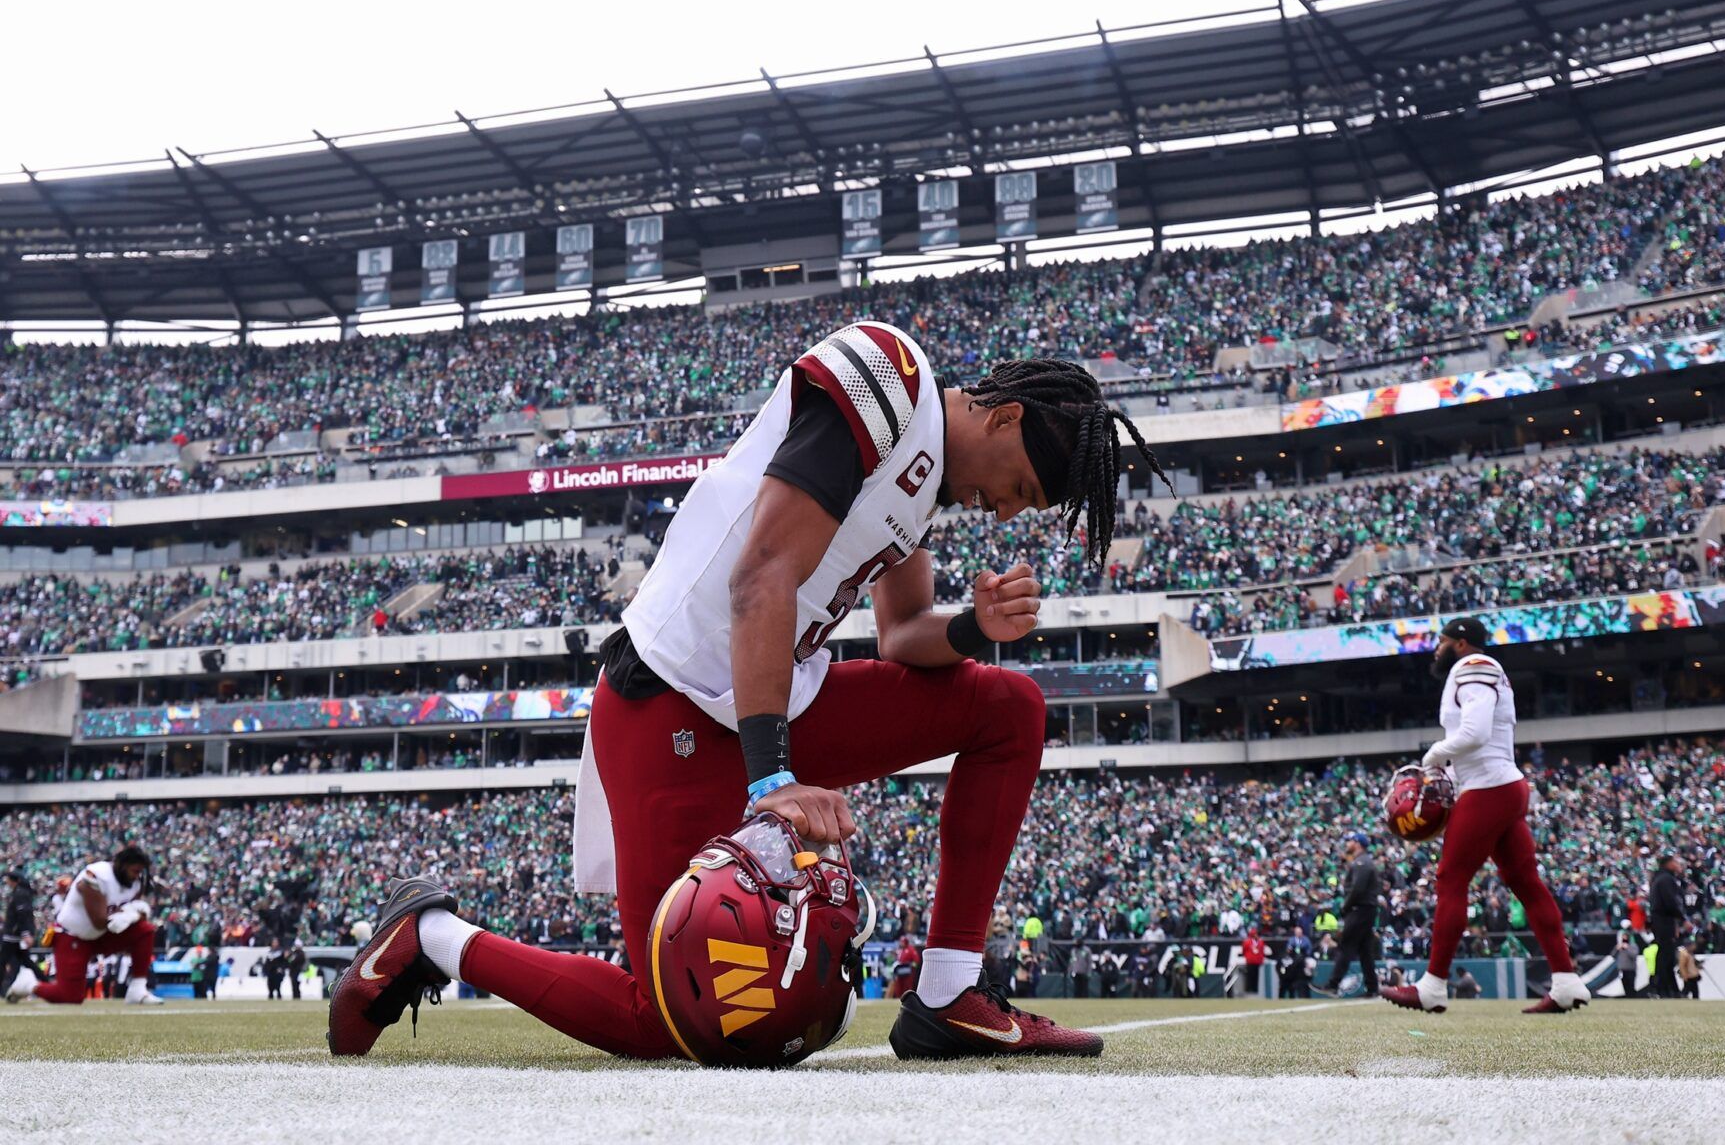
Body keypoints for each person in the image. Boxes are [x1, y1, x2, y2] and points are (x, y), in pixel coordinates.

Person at [328, 340, 1167, 1062]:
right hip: (674, 703)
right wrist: (772, 787)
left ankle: (948, 996)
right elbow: (760, 574)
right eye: (1018, 487)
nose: (1006, 509)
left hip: (774, 701)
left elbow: (904, 631)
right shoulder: (888, 377)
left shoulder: (923, 485)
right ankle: (432, 937)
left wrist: (973, 629)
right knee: (667, 1020)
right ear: (1005, 418)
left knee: (1006, 706)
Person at [1382, 618, 1589, 1015]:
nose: (1436, 649)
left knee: (1450, 878)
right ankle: (1566, 982)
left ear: (1461, 643)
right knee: (1526, 883)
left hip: (1489, 786)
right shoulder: (1478, 669)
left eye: (1442, 641)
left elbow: (1475, 733)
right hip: (1501, 785)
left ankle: (1433, 986)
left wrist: (1433, 756)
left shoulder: (1474, 666)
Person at [8, 844, 164, 1006]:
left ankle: (137, 990)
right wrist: (129, 915)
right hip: (72, 936)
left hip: (101, 936)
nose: (137, 876)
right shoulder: (97, 874)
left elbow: (139, 914)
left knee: (145, 930)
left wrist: (131, 915)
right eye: (135, 871)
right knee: (71, 997)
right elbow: (98, 921)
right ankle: (29, 985)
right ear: (122, 866)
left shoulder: (136, 883)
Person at [1319, 833, 1381, 998]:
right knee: (1365, 950)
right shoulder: (1364, 862)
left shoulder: (1362, 863)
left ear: (1358, 844)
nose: (1348, 844)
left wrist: (1345, 908)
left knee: (1346, 946)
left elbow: (1357, 890)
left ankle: (1333, 985)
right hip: (1366, 910)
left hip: (1360, 909)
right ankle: (1372, 988)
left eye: (1351, 841)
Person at [0, 869, 45, 997]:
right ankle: (47, 983)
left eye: (8, 879)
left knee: (2, 962)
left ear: (15, 881)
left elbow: (23, 915)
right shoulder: (19, 893)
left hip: (13, 936)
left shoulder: (20, 894)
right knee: (26, 962)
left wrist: (26, 934)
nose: (6, 881)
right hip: (15, 935)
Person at [1649, 854, 1684, 998]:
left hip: (1660, 921)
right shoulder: (1666, 880)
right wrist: (1682, 918)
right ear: (1669, 864)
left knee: (1664, 955)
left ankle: (1665, 988)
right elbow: (1671, 903)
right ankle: (1665, 989)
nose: (1678, 865)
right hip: (1664, 921)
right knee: (1666, 956)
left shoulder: (1659, 878)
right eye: (1676, 862)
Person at [1238, 926, 1269, 998]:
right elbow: (1244, 950)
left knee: (1256, 976)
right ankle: (1248, 990)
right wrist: (1247, 957)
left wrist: (1261, 959)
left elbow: (1262, 951)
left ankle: (1255, 990)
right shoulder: (1247, 942)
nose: (1256, 935)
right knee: (1249, 976)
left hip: (1258, 962)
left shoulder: (1261, 942)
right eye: (1255, 934)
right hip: (1250, 961)